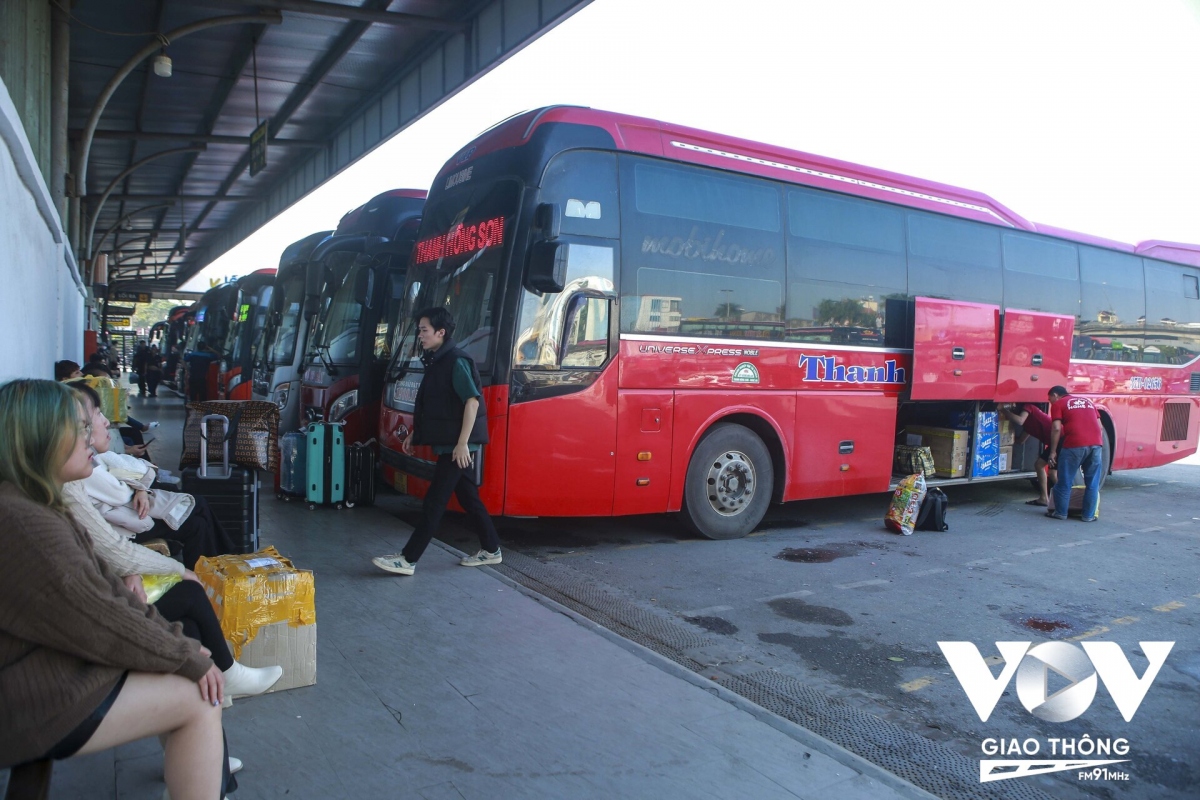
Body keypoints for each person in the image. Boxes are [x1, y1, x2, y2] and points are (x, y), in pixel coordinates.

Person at [0, 378, 229, 798]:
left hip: (39, 672)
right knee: (199, 697)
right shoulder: (27, 521)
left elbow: (105, 594)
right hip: (29, 696)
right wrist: (182, 654)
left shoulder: (33, 503)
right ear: (40, 438)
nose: (92, 436)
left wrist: (173, 644)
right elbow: (101, 621)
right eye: (79, 427)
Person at [373, 308, 500, 576]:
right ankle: (491, 549)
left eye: (424, 330)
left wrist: (463, 444)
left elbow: (472, 402)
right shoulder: (438, 360)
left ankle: (408, 559)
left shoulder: (455, 361)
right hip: (452, 444)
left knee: (434, 502)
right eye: (419, 330)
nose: (420, 336)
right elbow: (437, 407)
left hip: (458, 446)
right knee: (469, 499)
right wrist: (416, 435)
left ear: (441, 333)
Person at [68, 382, 240, 568]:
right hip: (127, 524)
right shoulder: (80, 463)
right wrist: (139, 487)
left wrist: (139, 487)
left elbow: (136, 468)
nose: (107, 421)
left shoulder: (86, 456)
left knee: (197, 519)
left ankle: (220, 566)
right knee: (197, 508)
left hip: (128, 516)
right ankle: (223, 563)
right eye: (97, 414)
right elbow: (120, 494)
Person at [1045, 385, 1104, 522]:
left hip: (1074, 445)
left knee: (1064, 480)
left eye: (1050, 399)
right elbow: (1100, 426)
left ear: (1055, 395)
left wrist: (1053, 451)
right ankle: (1088, 516)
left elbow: (1056, 428)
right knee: (1092, 483)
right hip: (1096, 445)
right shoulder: (1088, 402)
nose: (1050, 402)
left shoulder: (1059, 404)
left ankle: (1060, 513)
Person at [998, 403, 1058, 506]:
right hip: (1056, 442)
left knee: (1047, 470)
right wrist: (1002, 440)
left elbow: (1020, 421)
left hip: (1059, 441)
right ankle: (1047, 498)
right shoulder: (1029, 424)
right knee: (1045, 469)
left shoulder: (1029, 407)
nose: (1013, 408)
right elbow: (1021, 440)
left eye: (1014, 406)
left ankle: (1066, 497)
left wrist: (1003, 410)